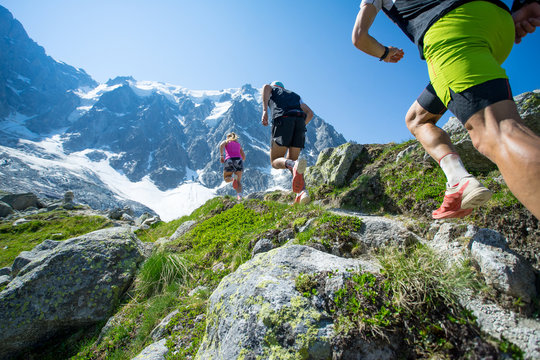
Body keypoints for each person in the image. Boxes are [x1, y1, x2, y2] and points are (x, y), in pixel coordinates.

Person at [352, 0, 540, 220]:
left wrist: (385, 52)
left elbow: (359, 37)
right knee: (417, 119)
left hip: (451, 31)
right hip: (497, 22)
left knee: (497, 129)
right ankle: (458, 179)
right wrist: (521, 8)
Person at [261, 81, 314, 205]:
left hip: (283, 120)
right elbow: (310, 114)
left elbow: (266, 87)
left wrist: (265, 110)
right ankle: (303, 193)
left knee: (275, 161)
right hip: (300, 123)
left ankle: (293, 166)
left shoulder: (273, 89)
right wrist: (299, 127)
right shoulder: (295, 96)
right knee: (293, 164)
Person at [219, 132, 246, 200]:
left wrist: (222, 156)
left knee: (226, 178)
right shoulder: (238, 144)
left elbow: (221, 145)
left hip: (229, 160)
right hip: (238, 160)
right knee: (238, 181)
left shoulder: (227, 142)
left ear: (228, 137)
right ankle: (239, 196)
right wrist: (240, 161)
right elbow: (243, 157)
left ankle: (232, 179)